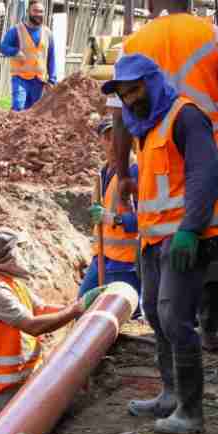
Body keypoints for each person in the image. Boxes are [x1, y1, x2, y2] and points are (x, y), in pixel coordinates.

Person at [106, 0, 218, 352]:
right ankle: (209, 330)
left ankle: (169, 327)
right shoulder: (211, 35)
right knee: (209, 238)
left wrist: (123, 173)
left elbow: (120, 118)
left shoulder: (134, 44)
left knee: (158, 238)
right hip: (212, 151)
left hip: (157, 153)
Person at [102, 54, 218, 434]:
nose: (130, 100)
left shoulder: (185, 117)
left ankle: (191, 412)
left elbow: (204, 175)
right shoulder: (148, 124)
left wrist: (190, 229)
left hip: (187, 237)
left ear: (154, 82)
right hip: (156, 237)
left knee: (175, 317)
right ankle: (170, 395)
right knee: (157, 316)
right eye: (124, 94)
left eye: (136, 89)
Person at [0, 227, 106, 414]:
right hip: (4, 393)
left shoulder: (13, 283)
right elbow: (32, 326)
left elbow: (42, 309)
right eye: (20, 251)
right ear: (10, 256)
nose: (24, 256)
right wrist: (75, 310)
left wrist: (81, 306)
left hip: (23, 382)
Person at [79, 118, 141, 307]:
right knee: (82, 306)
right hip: (102, 257)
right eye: (107, 137)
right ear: (100, 141)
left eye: (118, 136)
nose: (113, 142)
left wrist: (111, 218)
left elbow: (145, 219)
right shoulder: (104, 172)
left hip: (124, 262)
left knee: (118, 313)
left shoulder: (135, 171)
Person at [0, 0, 57, 111]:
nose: (38, 14)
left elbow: (51, 57)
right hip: (20, 78)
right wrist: (15, 52)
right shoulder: (16, 30)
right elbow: (3, 47)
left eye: (41, 11)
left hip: (39, 81)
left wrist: (52, 80)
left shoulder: (48, 33)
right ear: (28, 12)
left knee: (35, 111)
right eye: (35, 11)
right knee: (18, 106)